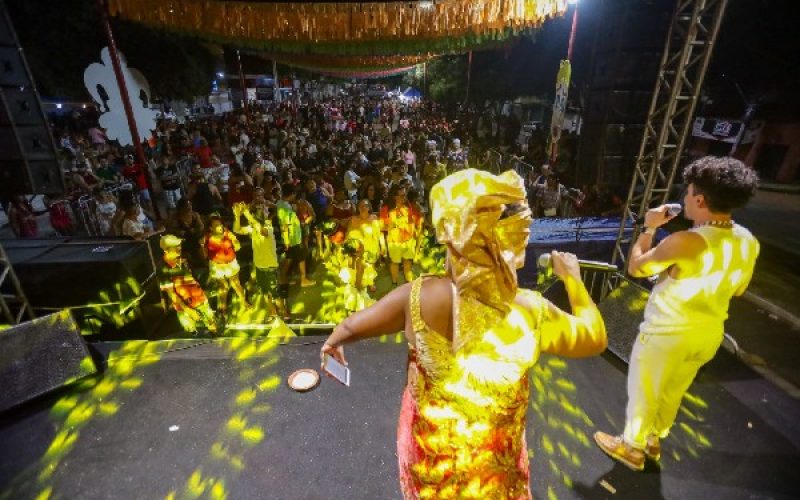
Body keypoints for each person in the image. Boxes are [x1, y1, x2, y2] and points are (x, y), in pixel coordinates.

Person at [321, 168, 607, 498]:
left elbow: (352, 325)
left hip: (430, 467)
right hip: (493, 476)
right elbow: (594, 337)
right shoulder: (530, 310)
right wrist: (573, 278)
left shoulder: (421, 297)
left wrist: (334, 341)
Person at [594, 156, 760, 471]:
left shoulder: (686, 241)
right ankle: (653, 439)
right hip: (709, 335)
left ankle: (631, 447)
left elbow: (636, 267)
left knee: (644, 391)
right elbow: (739, 289)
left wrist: (649, 227)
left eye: (688, 192)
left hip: (667, 334)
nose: (684, 198)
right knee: (674, 391)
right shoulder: (747, 241)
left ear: (700, 200)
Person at [233, 202, 287, 319]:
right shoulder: (253, 229)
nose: (250, 221)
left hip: (270, 267)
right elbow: (237, 229)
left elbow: (261, 230)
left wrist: (246, 213)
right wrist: (237, 216)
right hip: (259, 266)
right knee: (265, 292)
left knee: (275, 294)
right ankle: (273, 313)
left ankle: (284, 314)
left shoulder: (268, 227)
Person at [159, 234, 217, 335]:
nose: (179, 248)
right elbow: (171, 293)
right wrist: (188, 310)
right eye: (175, 246)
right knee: (191, 331)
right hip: (183, 307)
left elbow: (192, 275)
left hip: (200, 299)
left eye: (179, 245)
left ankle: (215, 336)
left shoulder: (184, 258)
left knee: (212, 324)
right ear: (166, 250)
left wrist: (202, 289)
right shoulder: (163, 268)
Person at [202, 213, 252, 316]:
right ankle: (222, 309)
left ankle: (244, 302)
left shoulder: (227, 232)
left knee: (236, 284)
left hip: (231, 263)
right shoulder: (206, 237)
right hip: (217, 266)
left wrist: (236, 242)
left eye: (220, 224)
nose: (220, 226)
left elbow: (235, 241)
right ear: (210, 228)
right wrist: (203, 248)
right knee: (223, 287)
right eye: (217, 225)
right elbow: (204, 253)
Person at [380, 184, 421, 285]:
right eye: (402, 195)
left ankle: (408, 282)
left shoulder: (407, 206)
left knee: (407, 261)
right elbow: (381, 226)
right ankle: (395, 282)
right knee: (395, 262)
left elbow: (411, 220)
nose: (405, 197)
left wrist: (414, 230)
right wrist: (391, 226)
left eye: (405, 195)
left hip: (408, 240)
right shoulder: (386, 209)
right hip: (395, 242)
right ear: (395, 196)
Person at [346, 199, 386, 292]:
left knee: (371, 266)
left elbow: (380, 233)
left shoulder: (374, 218)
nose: (363, 208)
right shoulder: (353, 219)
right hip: (358, 248)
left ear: (369, 208)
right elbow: (348, 235)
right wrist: (352, 247)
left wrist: (383, 245)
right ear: (358, 208)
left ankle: (371, 281)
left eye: (366, 205)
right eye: (361, 206)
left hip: (372, 247)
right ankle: (358, 285)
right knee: (360, 267)